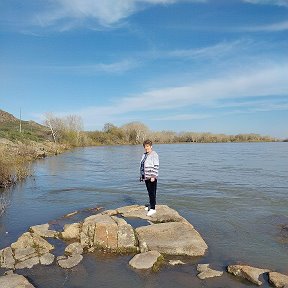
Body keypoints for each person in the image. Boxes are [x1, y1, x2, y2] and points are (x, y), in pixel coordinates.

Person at [140, 139, 159, 216]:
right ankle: (151, 205)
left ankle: (153, 208)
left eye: (147, 146)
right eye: (145, 146)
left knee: (152, 192)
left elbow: (156, 166)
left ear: (151, 146)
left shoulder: (154, 154)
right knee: (149, 191)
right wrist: (141, 175)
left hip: (151, 177)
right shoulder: (144, 155)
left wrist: (153, 176)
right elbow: (142, 165)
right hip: (146, 176)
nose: (146, 148)